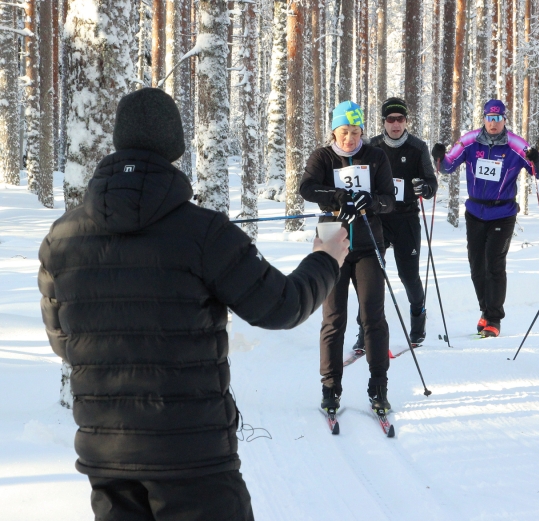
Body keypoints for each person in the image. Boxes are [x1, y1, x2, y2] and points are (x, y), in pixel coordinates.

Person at [37, 88, 349, 520]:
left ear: (117, 141)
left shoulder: (60, 238)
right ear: (176, 147)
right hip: (193, 458)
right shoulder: (204, 232)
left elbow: (64, 342)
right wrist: (326, 260)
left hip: (107, 457)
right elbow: (282, 305)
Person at [299, 100, 397, 412]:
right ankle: (330, 388)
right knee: (333, 318)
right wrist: (338, 196)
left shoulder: (376, 156)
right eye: (344, 132)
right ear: (334, 132)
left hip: (368, 245)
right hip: (332, 246)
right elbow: (307, 188)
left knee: (372, 317)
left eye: (355, 132)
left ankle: (378, 385)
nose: (350, 139)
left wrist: (370, 201)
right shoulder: (323, 157)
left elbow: (388, 200)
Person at [431, 99, 539, 338]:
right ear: (483, 119)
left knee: (494, 264)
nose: (493, 123)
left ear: (504, 120)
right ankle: (485, 311)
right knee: (477, 266)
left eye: (497, 119)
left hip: (503, 213)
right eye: (489, 118)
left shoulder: (516, 144)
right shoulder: (470, 141)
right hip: (475, 211)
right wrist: (439, 156)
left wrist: (537, 158)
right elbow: (446, 168)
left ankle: (494, 319)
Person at [350, 97, 438, 352]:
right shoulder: (373, 146)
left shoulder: (417, 147)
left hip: (406, 218)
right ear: (384, 122)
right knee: (371, 277)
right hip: (377, 217)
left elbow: (431, 182)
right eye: (391, 119)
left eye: (400, 119)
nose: (396, 124)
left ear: (406, 121)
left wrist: (426, 188)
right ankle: (364, 331)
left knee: (408, 275)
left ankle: (418, 319)